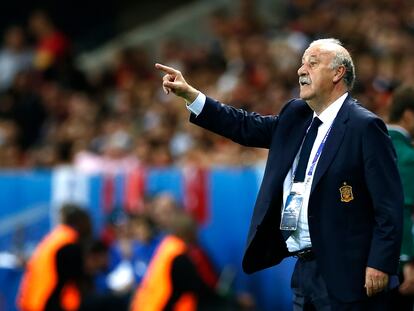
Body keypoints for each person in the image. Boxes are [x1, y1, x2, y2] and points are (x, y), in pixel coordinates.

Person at [155, 38, 404, 310]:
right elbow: (243, 126)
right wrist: (192, 96)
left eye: (312, 63)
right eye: (301, 62)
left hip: (349, 272)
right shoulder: (295, 115)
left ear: (338, 73)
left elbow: (389, 204)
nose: (301, 70)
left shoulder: (364, 126)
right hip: (304, 271)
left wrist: (380, 262)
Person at [17, 204, 92, 311]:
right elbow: (75, 278)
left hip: (35, 300)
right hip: (48, 301)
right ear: (80, 222)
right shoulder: (68, 242)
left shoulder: (55, 238)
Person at [387, 86, 414, 310]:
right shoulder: (406, 155)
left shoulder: (372, 142)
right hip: (398, 263)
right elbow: (403, 209)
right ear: (408, 115)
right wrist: (406, 260)